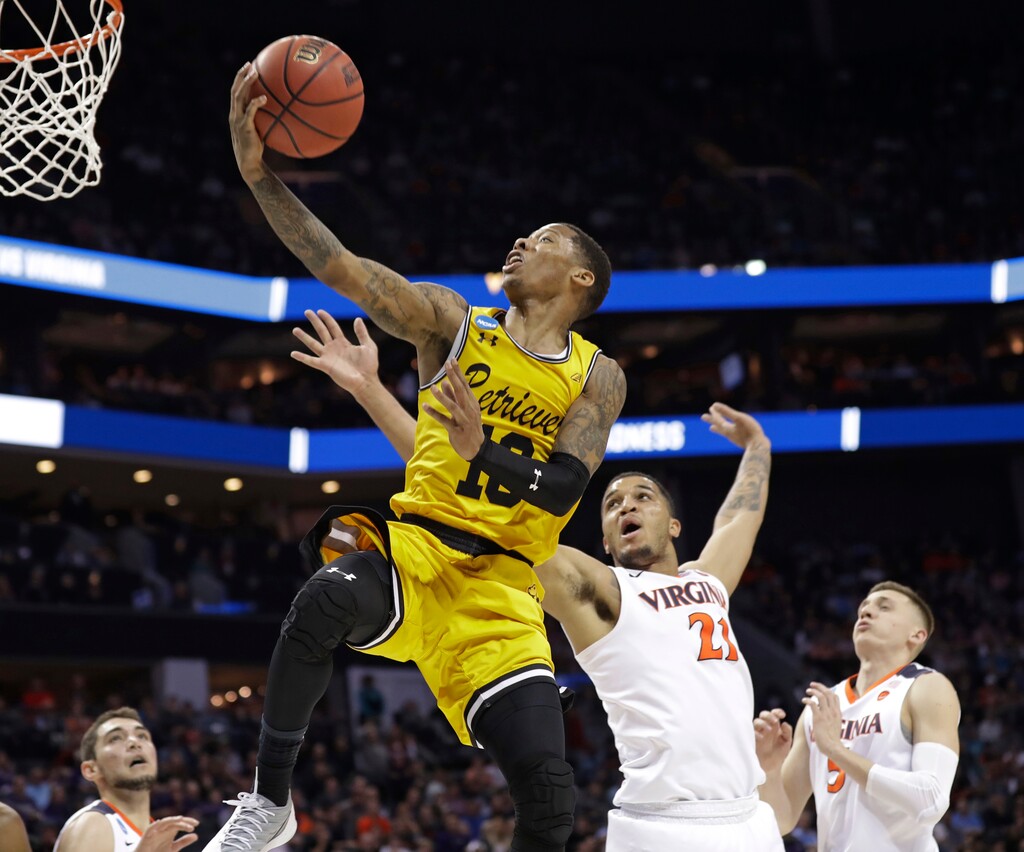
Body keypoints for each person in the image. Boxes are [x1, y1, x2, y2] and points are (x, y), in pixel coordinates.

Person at [210, 64, 627, 852]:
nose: (520, 241)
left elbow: (565, 485)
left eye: (541, 239)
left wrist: (483, 453)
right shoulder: (451, 321)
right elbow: (342, 268)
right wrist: (260, 177)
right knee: (322, 600)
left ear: (580, 277)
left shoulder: (596, 376)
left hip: (502, 592)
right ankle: (270, 802)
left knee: (549, 798)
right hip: (418, 554)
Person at [291, 315, 782, 850]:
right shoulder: (599, 590)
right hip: (666, 824)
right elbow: (456, 483)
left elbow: (739, 517)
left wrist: (758, 447)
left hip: (750, 815)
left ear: (675, 524)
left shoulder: (708, 583)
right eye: (612, 504)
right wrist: (369, 389)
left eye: (643, 496)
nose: (626, 506)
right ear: (606, 542)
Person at [753, 582, 961, 851]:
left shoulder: (926, 686)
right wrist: (769, 768)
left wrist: (836, 750)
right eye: (864, 607)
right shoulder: (823, 704)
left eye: (884, 607)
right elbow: (781, 821)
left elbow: (931, 800)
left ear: (916, 635)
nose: (866, 612)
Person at [55, 706, 199, 851]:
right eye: (116, 738)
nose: (134, 743)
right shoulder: (94, 824)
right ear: (91, 769)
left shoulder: (155, 838)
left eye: (142, 736)